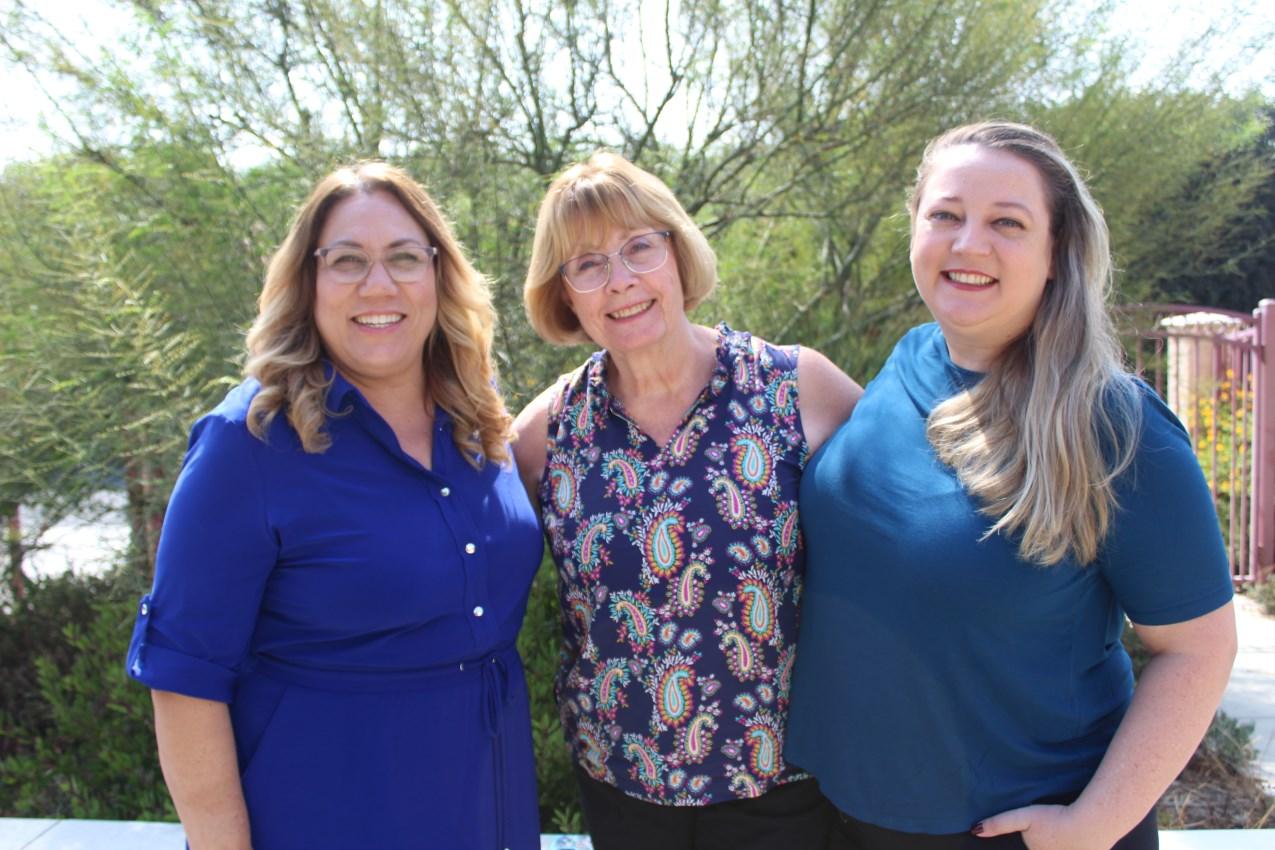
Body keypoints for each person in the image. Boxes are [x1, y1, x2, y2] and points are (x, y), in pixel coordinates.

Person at [787, 121, 1238, 850]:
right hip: (851, 816)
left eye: (1007, 223)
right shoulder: (911, 357)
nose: (968, 244)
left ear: (1056, 252)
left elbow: (1199, 649)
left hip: (1016, 830)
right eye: (945, 214)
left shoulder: (1116, 427)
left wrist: (1092, 824)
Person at [125, 162, 543, 850]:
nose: (379, 285)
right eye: (347, 261)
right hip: (323, 818)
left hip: (486, 814)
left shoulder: (477, 415)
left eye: (404, 258)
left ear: (439, 275)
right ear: (307, 282)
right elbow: (184, 680)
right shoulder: (247, 443)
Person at [513, 151, 862, 850]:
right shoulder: (544, 436)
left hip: (786, 791)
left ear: (676, 253)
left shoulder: (798, 388)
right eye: (588, 265)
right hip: (622, 793)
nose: (621, 280)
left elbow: (909, 521)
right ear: (565, 296)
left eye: (639, 247)